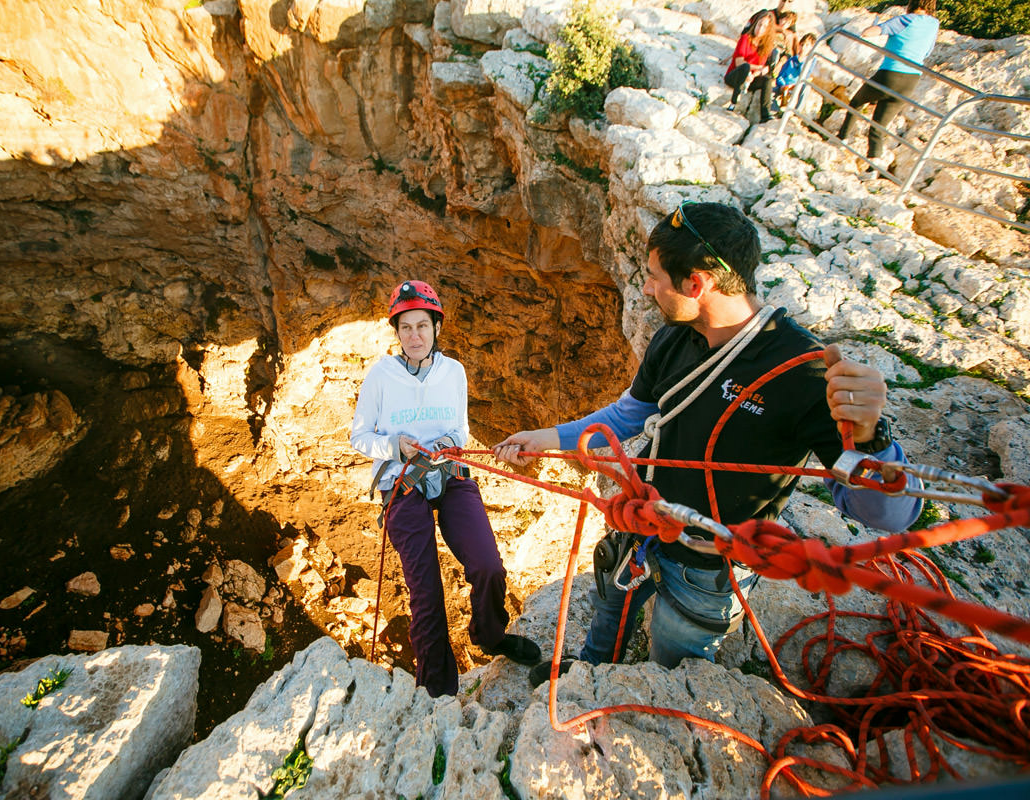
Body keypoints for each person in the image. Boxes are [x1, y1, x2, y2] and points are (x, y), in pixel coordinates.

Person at [493, 202, 923, 683]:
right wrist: (548, 438)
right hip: (643, 527)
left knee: (675, 669)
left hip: (708, 565)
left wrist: (871, 436)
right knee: (610, 605)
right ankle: (592, 673)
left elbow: (892, 516)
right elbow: (630, 414)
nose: (647, 287)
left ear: (696, 284)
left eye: (655, 276)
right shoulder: (676, 338)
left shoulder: (803, 372)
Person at [350, 280, 541, 697]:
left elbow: (460, 427)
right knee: (427, 592)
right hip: (401, 483)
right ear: (396, 333)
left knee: (489, 566)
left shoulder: (453, 372)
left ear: (437, 328)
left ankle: (490, 635)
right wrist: (394, 445)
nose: (414, 336)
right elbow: (359, 436)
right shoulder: (380, 376)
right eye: (405, 328)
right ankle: (437, 692)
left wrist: (450, 443)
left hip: (449, 475)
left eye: (422, 326)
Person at [837, 0, 940, 180]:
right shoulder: (933, 24)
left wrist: (876, 25)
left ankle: (842, 138)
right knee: (879, 124)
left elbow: (868, 33)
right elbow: (927, 52)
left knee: (857, 101)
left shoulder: (905, 20)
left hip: (890, 73)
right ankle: (872, 169)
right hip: (911, 80)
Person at [725, 13, 778, 122]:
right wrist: (757, 68)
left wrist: (754, 74)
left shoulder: (766, 46)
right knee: (745, 67)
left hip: (750, 80)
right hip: (735, 76)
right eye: (759, 25)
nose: (760, 29)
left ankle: (765, 114)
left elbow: (763, 67)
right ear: (755, 24)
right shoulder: (745, 38)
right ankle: (734, 102)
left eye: (764, 27)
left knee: (767, 79)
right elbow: (739, 62)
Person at [773, 33, 817, 114]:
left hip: (797, 84)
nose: (803, 48)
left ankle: (797, 112)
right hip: (785, 85)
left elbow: (805, 75)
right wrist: (783, 85)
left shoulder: (811, 60)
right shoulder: (791, 60)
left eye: (807, 45)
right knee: (771, 91)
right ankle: (776, 112)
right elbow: (780, 76)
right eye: (802, 44)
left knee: (806, 86)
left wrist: (800, 63)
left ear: (811, 48)